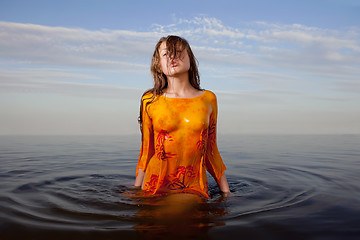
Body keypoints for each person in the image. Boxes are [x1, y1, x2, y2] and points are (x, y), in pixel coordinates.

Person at [134, 35, 230, 199]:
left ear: (190, 59)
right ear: (158, 64)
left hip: (193, 187)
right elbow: (146, 151)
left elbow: (211, 150)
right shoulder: (150, 100)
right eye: (166, 54)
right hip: (154, 185)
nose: (172, 57)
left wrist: (226, 193)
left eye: (178, 51)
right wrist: (136, 191)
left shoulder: (208, 99)